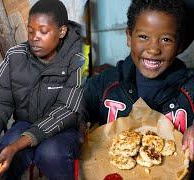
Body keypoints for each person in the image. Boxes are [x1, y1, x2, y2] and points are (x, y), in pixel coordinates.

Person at [0, 0, 85, 179]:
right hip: (26, 122)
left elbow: (66, 110)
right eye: (30, 30)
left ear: (62, 31)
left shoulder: (79, 59)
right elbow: (0, 103)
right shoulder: (15, 56)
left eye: (43, 31)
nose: (34, 37)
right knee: (7, 144)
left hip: (65, 129)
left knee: (50, 153)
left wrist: (18, 145)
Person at [80, 0, 194, 160]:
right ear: (129, 37)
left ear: (180, 45)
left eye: (166, 39)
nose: (153, 49)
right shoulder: (107, 83)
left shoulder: (190, 89)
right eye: (143, 36)